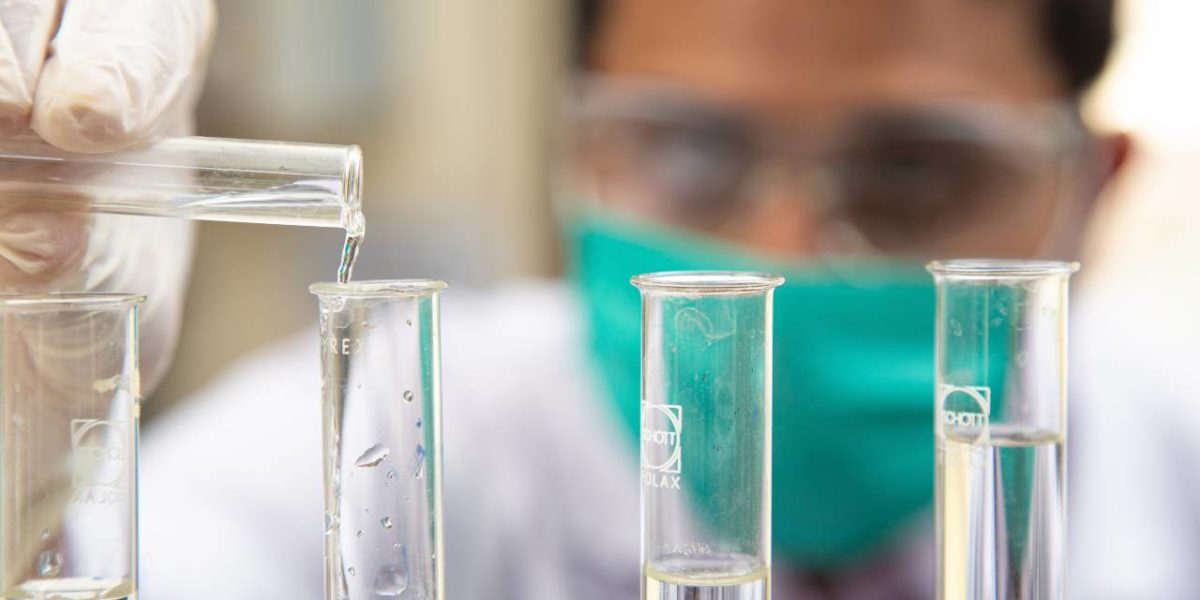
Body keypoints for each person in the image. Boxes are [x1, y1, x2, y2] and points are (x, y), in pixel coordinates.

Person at [8, 0, 1194, 598]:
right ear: (573, 154)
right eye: (688, 153)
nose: (781, 254)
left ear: (1094, 189)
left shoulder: (1177, 447)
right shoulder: (390, 428)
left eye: (916, 172)